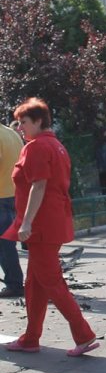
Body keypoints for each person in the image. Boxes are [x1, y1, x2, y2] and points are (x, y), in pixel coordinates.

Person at [2, 98, 99, 356]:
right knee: (35, 284)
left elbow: (39, 185)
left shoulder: (36, 147)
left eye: (24, 122)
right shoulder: (56, 146)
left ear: (38, 121)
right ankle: (30, 338)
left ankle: (84, 334)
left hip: (42, 225)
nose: (20, 127)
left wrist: (27, 221)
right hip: (52, 221)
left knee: (52, 282)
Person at [0, 123, 25, 298]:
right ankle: (14, 281)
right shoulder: (11, 134)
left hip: (0, 195)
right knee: (7, 243)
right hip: (13, 193)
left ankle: (14, 283)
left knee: (5, 244)